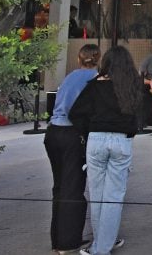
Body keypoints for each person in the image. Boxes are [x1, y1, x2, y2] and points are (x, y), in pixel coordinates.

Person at [70, 45, 142, 255]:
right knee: (114, 197)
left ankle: (100, 245)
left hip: (96, 140)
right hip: (122, 142)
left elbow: (75, 114)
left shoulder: (93, 85)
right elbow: (140, 117)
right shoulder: (132, 86)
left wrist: (88, 132)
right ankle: (103, 245)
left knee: (97, 195)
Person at [44, 44, 100, 254]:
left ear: (79, 58)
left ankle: (57, 239)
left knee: (59, 187)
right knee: (73, 188)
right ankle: (69, 243)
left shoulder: (69, 77)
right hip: (72, 134)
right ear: (98, 59)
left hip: (53, 132)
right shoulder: (95, 79)